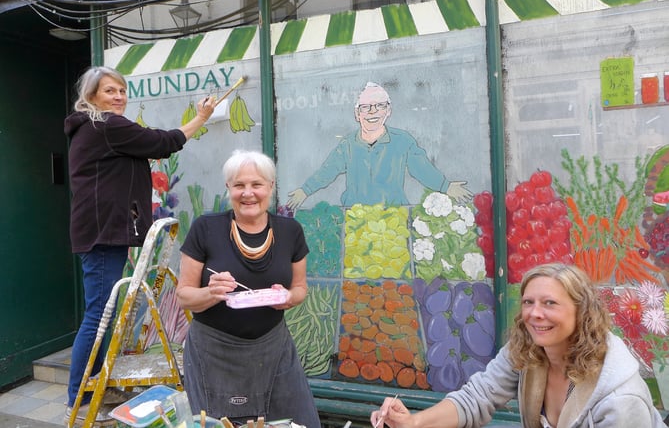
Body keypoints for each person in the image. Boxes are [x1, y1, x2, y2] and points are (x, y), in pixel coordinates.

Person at [64, 66, 216, 423]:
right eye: (109, 91)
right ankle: (79, 398)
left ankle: (94, 385)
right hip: (102, 234)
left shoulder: (95, 129)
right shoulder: (106, 126)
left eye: (121, 90)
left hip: (100, 231)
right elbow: (164, 143)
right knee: (98, 315)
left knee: (102, 311)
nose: (118, 97)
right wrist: (201, 118)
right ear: (91, 97)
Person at [371, 263, 667, 428]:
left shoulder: (620, 399)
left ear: (582, 312)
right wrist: (414, 422)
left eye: (549, 303)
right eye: (528, 302)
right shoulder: (528, 350)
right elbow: (478, 397)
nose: (535, 313)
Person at [176, 149, 320, 426]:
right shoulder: (205, 228)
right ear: (229, 188)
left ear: (271, 187)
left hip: (273, 348)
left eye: (256, 185)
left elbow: (301, 287)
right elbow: (184, 296)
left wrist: (288, 297)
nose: (248, 193)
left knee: (296, 421)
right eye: (239, 185)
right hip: (213, 351)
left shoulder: (290, 231)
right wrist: (211, 292)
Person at [286, 82, 473, 209]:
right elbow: (327, 171)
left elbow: (422, 169)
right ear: (357, 114)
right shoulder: (347, 145)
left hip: (394, 217)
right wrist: (305, 190)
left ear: (388, 110)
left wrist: (445, 187)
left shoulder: (403, 141)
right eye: (366, 107)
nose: (372, 112)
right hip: (354, 218)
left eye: (379, 106)